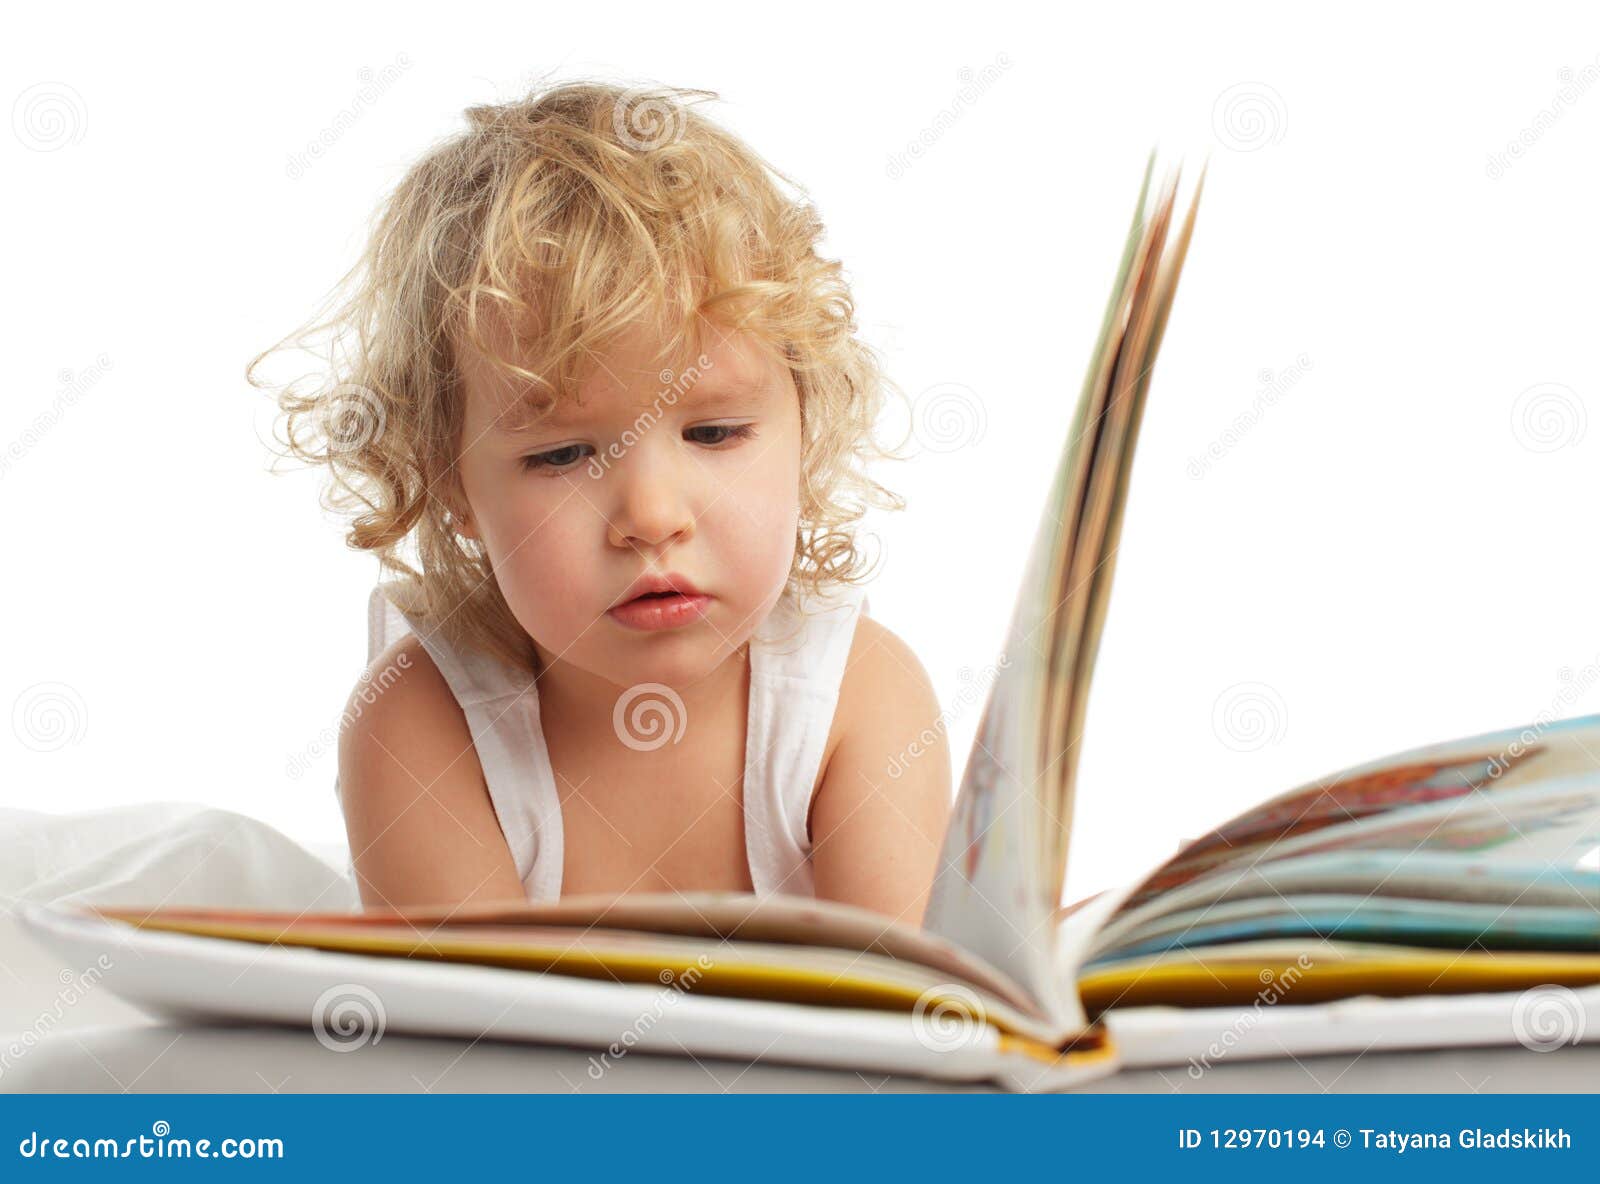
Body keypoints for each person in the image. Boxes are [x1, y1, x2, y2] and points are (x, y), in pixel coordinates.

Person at [248, 78, 952, 925]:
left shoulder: (854, 698)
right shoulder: (423, 726)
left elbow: (904, 1017)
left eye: (715, 434)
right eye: (562, 453)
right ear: (451, 485)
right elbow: (472, 1044)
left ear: (807, 423)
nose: (653, 517)